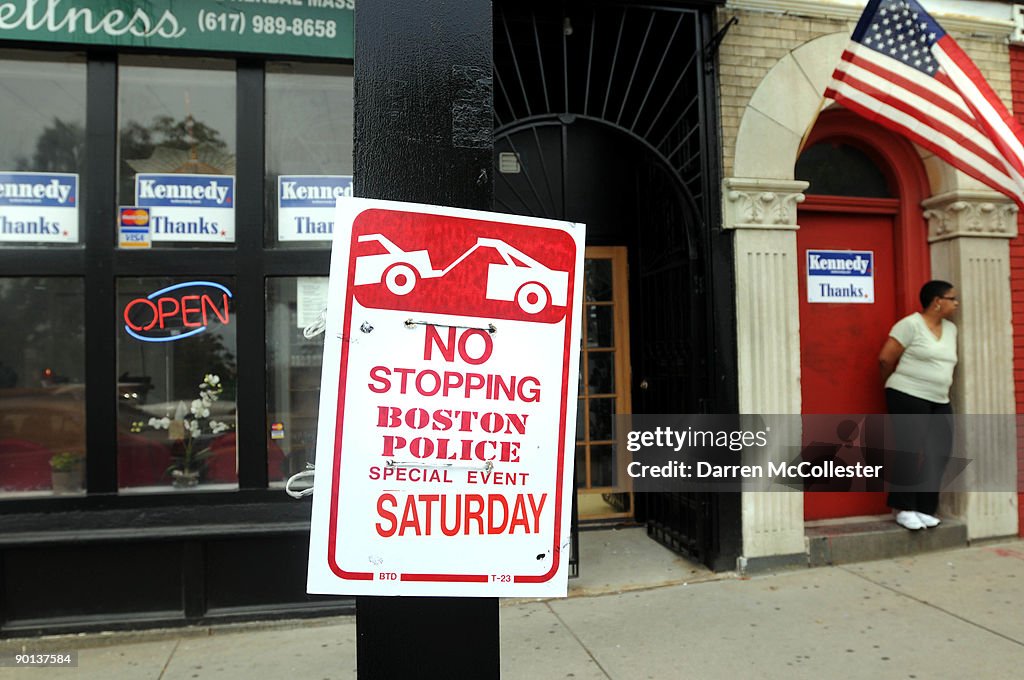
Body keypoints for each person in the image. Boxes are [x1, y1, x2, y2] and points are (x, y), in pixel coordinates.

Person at [877, 280, 959, 530]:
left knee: (939, 452)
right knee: (910, 450)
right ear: (937, 301)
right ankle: (903, 508)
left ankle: (924, 508)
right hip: (908, 394)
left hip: (940, 399)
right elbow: (885, 359)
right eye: (952, 298)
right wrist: (892, 387)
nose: (956, 303)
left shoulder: (951, 329)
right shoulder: (910, 325)